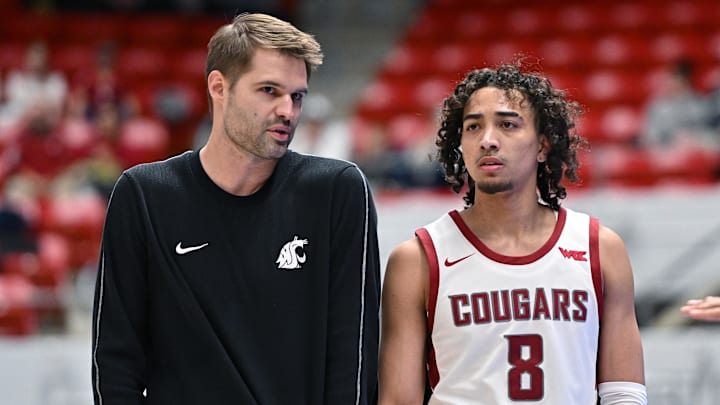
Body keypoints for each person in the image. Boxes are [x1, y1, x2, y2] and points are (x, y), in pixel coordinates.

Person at [91, 13, 380, 405]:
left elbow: (353, 362)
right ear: (218, 87)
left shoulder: (337, 192)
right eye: (268, 91)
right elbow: (115, 366)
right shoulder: (144, 195)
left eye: (297, 96)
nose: (288, 111)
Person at [378, 64, 647, 404]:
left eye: (507, 125)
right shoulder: (416, 259)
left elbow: (623, 394)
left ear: (543, 146)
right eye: (473, 127)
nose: (488, 140)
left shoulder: (600, 248)